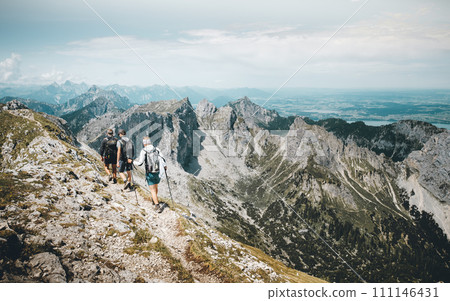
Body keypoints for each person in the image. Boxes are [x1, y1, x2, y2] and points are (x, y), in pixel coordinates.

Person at [134, 136, 167, 213]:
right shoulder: (157, 149)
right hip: (157, 171)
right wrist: (165, 167)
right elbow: (162, 159)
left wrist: (132, 162)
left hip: (150, 173)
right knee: (156, 187)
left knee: (152, 189)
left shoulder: (144, 151)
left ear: (144, 143)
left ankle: (157, 205)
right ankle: (154, 199)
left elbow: (140, 163)